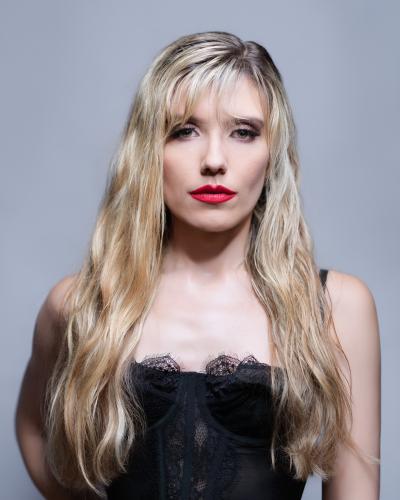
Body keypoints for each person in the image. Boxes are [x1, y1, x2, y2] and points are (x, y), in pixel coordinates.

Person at [15, 31, 381, 499]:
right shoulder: (80, 304)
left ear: (272, 154)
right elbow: (34, 428)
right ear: (149, 150)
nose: (214, 160)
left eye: (243, 132)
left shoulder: (336, 307)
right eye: (184, 130)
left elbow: (355, 489)